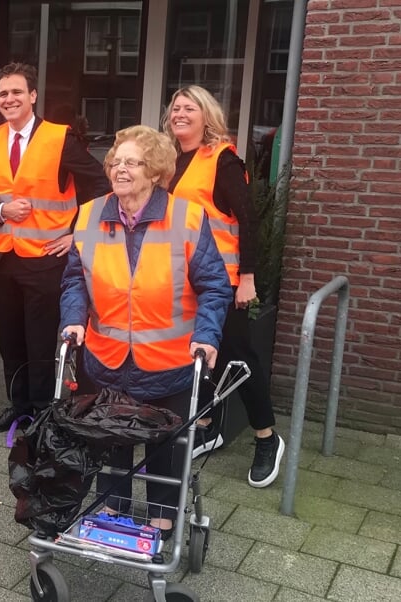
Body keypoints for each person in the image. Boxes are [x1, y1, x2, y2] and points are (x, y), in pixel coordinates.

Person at [60, 125, 232, 531]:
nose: (120, 169)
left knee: (165, 445)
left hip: (169, 362)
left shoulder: (186, 217)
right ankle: (114, 507)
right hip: (106, 356)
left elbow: (214, 285)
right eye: (115, 161)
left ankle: (163, 518)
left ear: (154, 171)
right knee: (109, 436)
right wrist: (72, 319)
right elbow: (74, 280)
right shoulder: (89, 214)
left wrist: (207, 336)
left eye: (132, 162)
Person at [0, 62, 109, 433]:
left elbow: (101, 187)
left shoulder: (61, 138)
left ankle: (44, 416)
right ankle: (19, 408)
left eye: (16, 92)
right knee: (10, 341)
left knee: (41, 343)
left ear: (32, 96)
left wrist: (76, 234)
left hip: (45, 260)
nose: (9, 99)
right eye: (3, 95)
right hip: (1, 259)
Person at [163, 85, 285, 488]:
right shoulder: (171, 160)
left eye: (189, 108)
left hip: (223, 280)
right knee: (199, 355)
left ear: (206, 115)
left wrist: (247, 278)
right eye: (176, 107)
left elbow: (248, 219)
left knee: (238, 356)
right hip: (184, 279)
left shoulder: (223, 160)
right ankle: (210, 427)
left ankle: (267, 438)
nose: (180, 113)